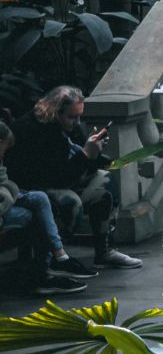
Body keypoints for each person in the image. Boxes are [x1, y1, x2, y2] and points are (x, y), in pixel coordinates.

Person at [9, 86, 143, 270]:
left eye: (79, 116)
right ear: (55, 112)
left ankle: (104, 250)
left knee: (105, 181)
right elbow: (54, 177)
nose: (77, 122)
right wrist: (86, 155)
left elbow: (82, 165)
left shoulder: (69, 126)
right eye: (72, 117)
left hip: (63, 178)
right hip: (33, 187)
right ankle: (53, 259)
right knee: (70, 201)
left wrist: (94, 152)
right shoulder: (32, 130)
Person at [0, 121, 96, 295]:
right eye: (3, 149)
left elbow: (4, 182)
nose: (3, 154)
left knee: (40, 198)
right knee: (33, 215)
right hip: (3, 204)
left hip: (7, 195)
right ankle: (44, 272)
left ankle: (59, 256)